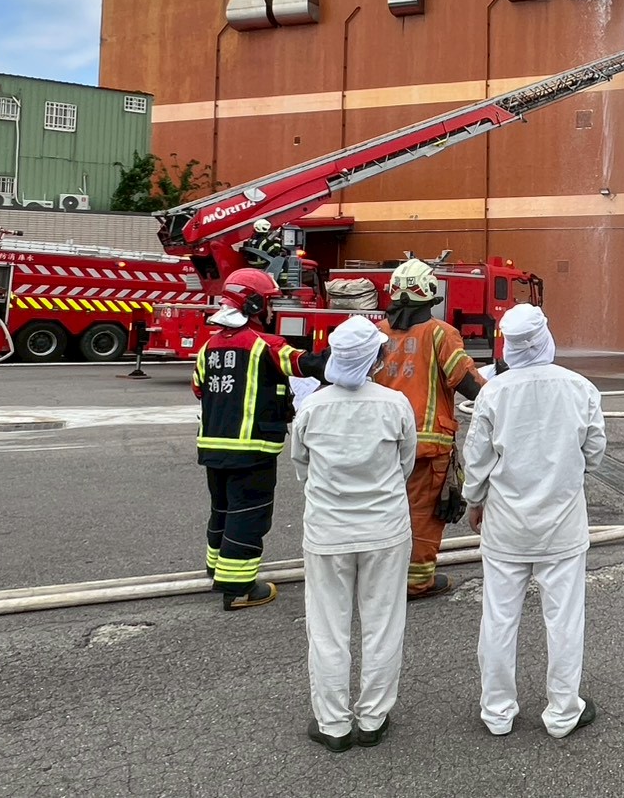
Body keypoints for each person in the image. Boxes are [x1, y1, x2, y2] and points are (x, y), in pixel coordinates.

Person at [463, 303, 606, 738]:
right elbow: (595, 453)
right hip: (562, 526)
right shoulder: (580, 388)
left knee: (499, 617)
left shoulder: (493, 391)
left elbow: (477, 459)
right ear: (545, 338)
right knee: (563, 619)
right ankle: (564, 712)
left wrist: (475, 500)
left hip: (505, 526)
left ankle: (497, 712)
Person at [291, 316, 418, 754]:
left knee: (327, 628)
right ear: (375, 358)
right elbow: (405, 464)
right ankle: (372, 718)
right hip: (385, 531)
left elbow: (301, 466)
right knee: (382, 624)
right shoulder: (395, 404)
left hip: (327, 532)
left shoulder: (312, 406)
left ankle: (333, 724)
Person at [192, 268, 326, 611]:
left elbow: (198, 388)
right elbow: (303, 364)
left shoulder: (208, 347)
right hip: (252, 448)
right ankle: (238, 588)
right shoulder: (266, 345)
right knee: (249, 513)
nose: (271, 310)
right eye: (267, 303)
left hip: (213, 447)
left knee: (221, 509)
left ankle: (217, 568)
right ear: (253, 304)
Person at [373, 257, 485, 600]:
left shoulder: (376, 333)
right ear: (431, 296)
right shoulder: (440, 333)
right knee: (422, 513)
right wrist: (498, 394)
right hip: (427, 444)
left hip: (381, 442)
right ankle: (416, 581)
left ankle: (378, 576)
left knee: (381, 508)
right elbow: (466, 382)